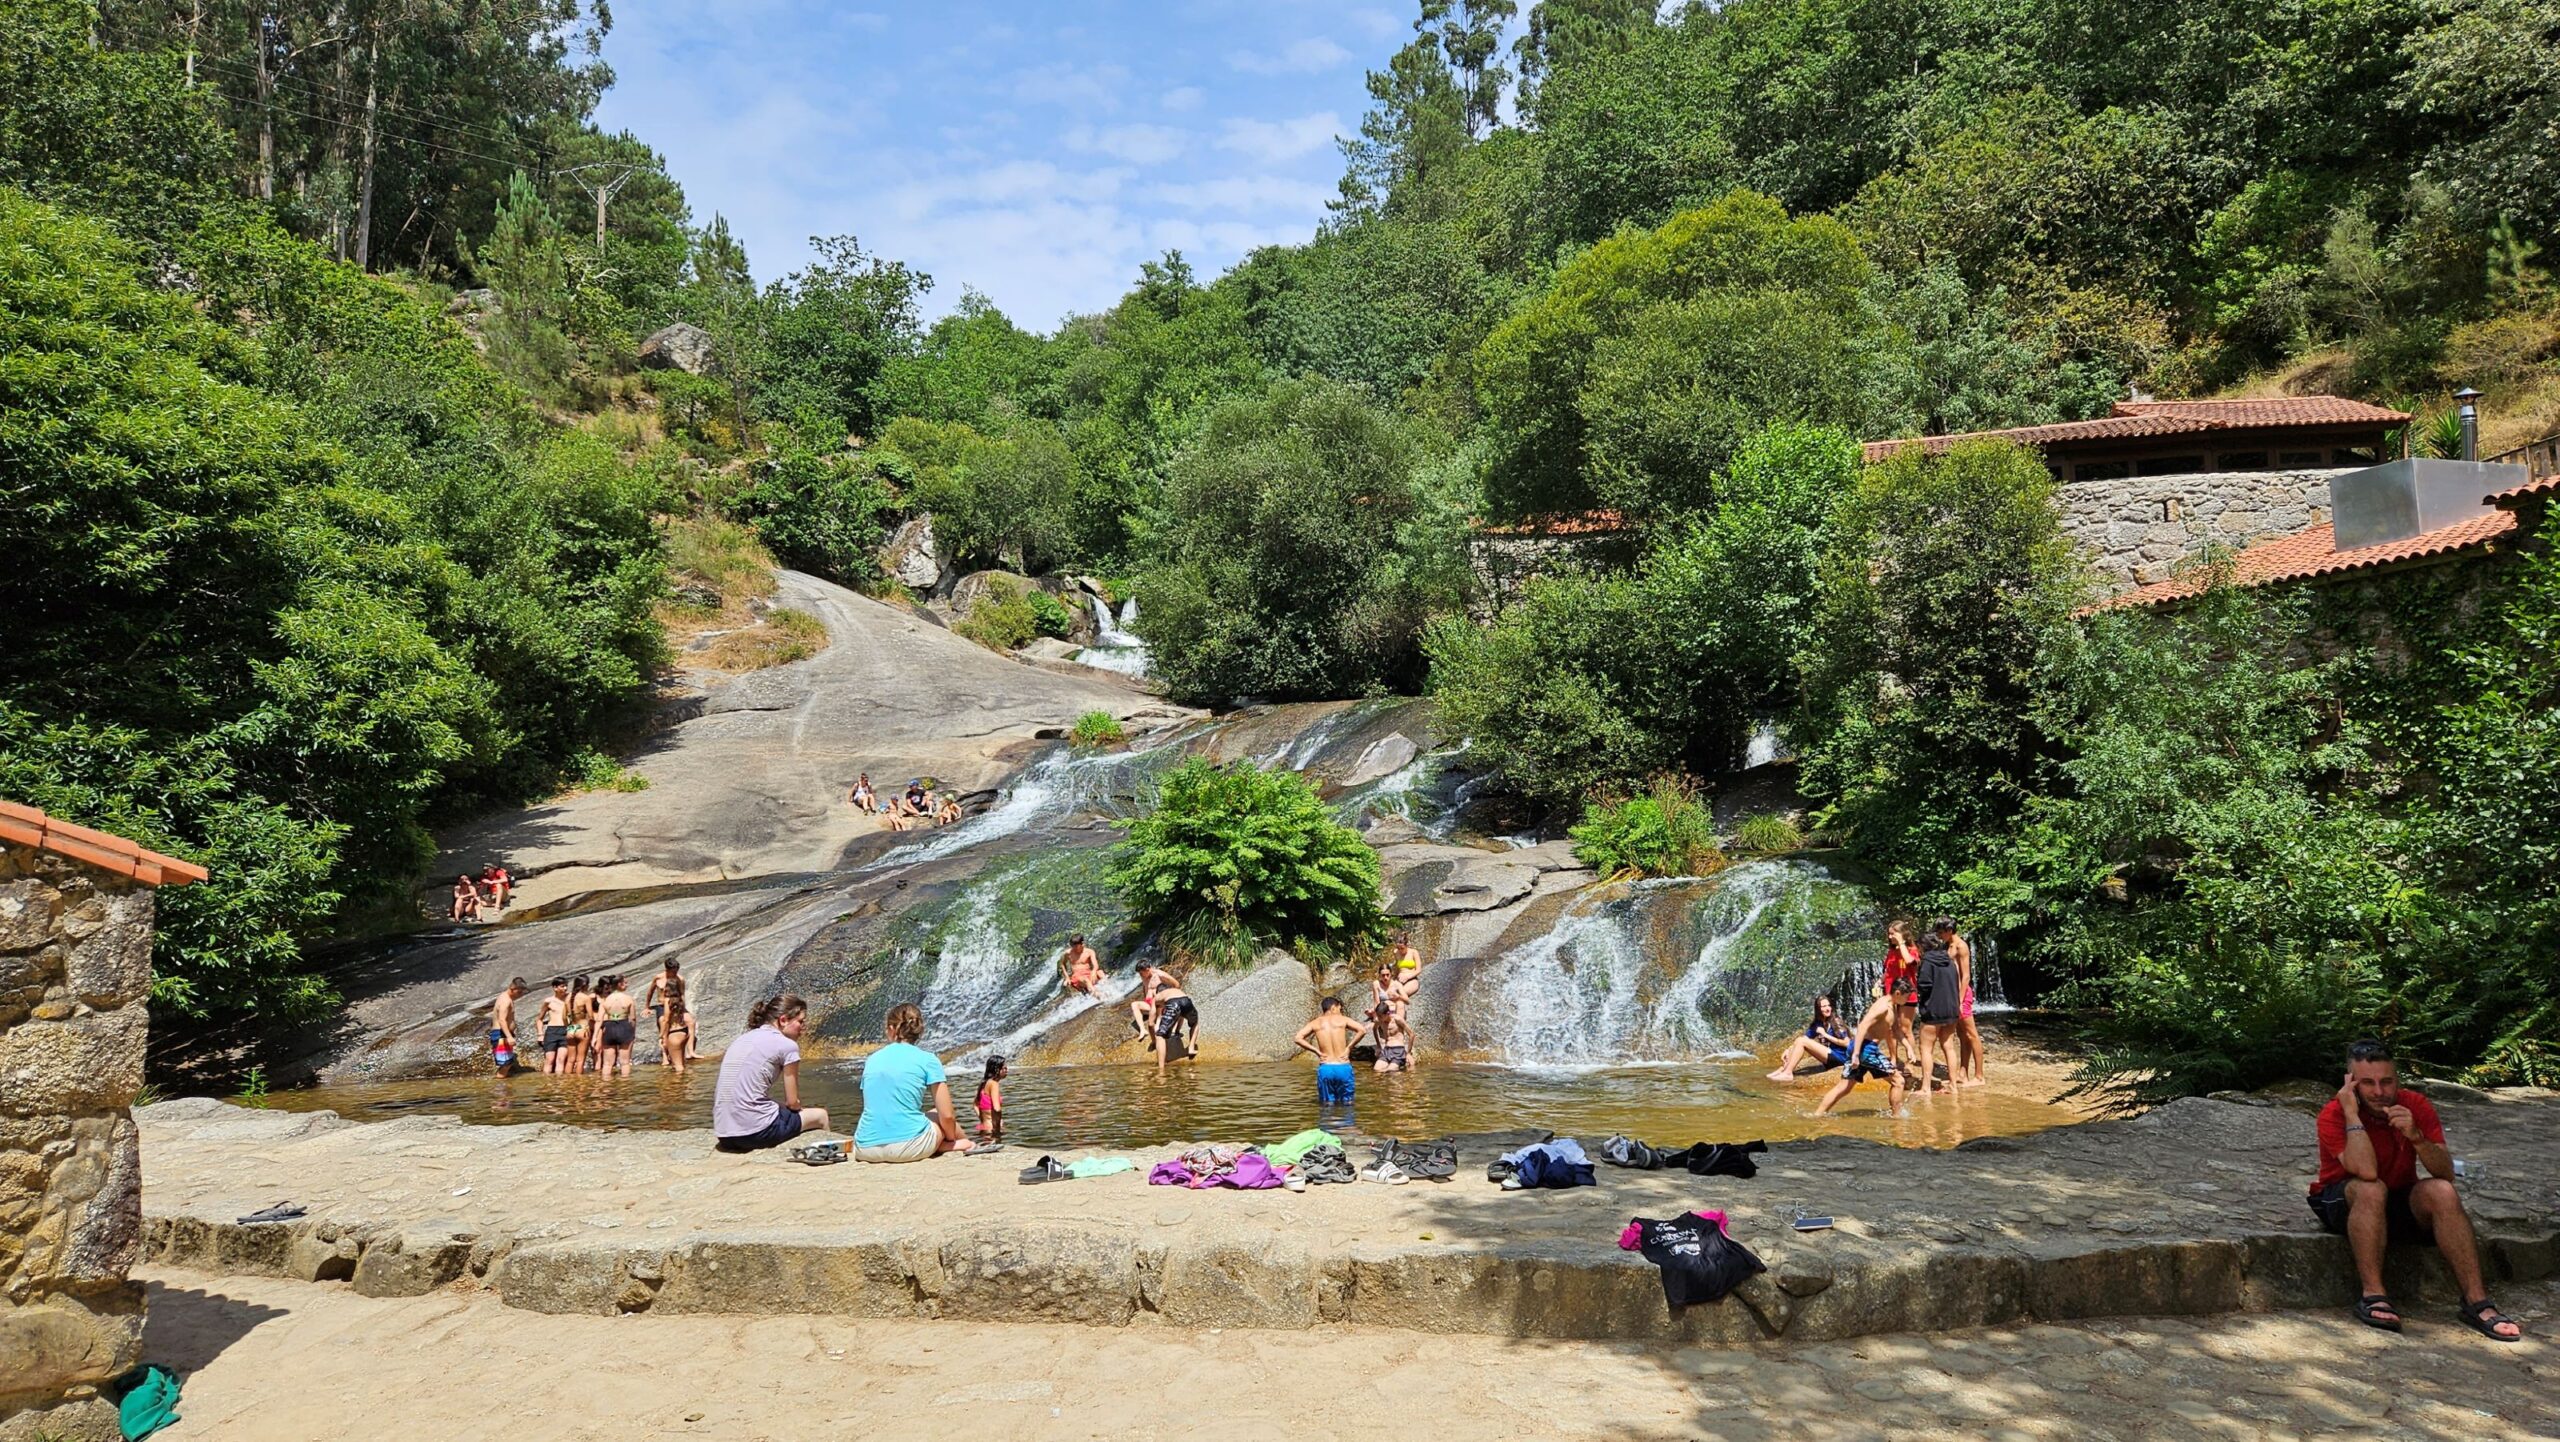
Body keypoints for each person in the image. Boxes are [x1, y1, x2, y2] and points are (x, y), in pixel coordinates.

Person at [2310, 1039, 2522, 1340]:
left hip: (2397, 1198)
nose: (2379, 1092)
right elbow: (2366, 1172)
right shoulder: (2334, 1113)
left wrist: (2417, 1137)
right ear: (2351, 1083)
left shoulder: (2415, 1105)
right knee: (2372, 1188)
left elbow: (2445, 1173)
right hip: (2343, 1199)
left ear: (2397, 1079)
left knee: (2441, 1192)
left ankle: (2476, 1301)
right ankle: (2373, 1294)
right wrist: (2352, 1115)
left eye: (2386, 1081)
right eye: (2368, 1083)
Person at [853, 1002, 972, 1162]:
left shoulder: (872, 1059)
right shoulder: (928, 1059)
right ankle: (956, 1145)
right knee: (935, 1114)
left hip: (864, 1148)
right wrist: (950, 1137)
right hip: (909, 1147)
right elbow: (948, 1115)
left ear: (891, 1029)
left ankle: (945, 1145)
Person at [713, 994, 830, 1153]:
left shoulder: (743, 1038)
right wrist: (796, 1109)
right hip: (754, 1133)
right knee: (820, 1115)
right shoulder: (787, 1046)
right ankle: (827, 1159)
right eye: (800, 1021)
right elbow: (792, 1102)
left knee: (777, 1107)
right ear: (783, 1020)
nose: (804, 1027)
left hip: (724, 1133)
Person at [1813, 996, 1906, 1117]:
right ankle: (1897, 1119)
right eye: (1908, 995)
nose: (1909, 999)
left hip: (1859, 1047)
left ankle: (1817, 1115)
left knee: (1844, 1087)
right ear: (1898, 993)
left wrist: (1908, 1048)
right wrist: (1856, 1055)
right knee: (1898, 1081)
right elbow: (1862, 1026)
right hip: (1866, 1050)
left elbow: (1893, 1030)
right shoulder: (1883, 1007)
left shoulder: (1890, 1005)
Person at [1912, 918, 1967, 1095]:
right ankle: (1953, 1085)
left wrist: (1915, 988)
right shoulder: (1948, 960)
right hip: (1951, 1008)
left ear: (1923, 947)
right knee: (1948, 1046)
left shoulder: (1927, 961)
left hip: (1933, 1010)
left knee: (1926, 1047)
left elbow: (1925, 985)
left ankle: (1926, 1087)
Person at [1295, 997, 1370, 1107]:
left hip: (1326, 1067)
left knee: (1327, 1104)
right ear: (1334, 1007)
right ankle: (1347, 1123)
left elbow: (1297, 1038)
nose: (1340, 1011)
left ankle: (1328, 1122)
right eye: (1340, 1008)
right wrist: (1349, 1048)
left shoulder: (1315, 1023)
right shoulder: (1343, 1019)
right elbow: (1362, 1030)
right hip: (1343, 1065)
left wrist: (1317, 1051)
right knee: (1348, 1103)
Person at [1766, 995, 1853, 1082]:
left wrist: (1825, 1035)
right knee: (1799, 1040)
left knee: (1801, 1041)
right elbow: (1804, 1038)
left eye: (1829, 1005)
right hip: (1830, 1057)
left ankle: (1788, 1073)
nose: (1827, 1008)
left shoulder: (1836, 1021)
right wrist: (1788, 1049)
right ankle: (1784, 1069)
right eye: (1824, 1006)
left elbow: (1847, 1043)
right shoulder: (1818, 1024)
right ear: (1818, 1009)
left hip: (1841, 1058)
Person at [1880, 919, 1922, 1070]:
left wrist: (1901, 943)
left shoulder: (1911, 949)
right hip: (1891, 994)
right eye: (1889, 934)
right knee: (1891, 1027)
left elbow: (1910, 961)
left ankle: (1911, 1060)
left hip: (1907, 994)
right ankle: (1893, 1058)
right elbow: (1888, 971)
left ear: (1902, 934)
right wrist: (1879, 982)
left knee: (1905, 1029)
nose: (1890, 936)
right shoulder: (1891, 951)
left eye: (1893, 934)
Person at [1144, 970, 1199, 1075]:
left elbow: (1151, 1024)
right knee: (1194, 1023)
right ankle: (1191, 1047)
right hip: (1186, 1000)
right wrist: (1177, 1031)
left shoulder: (1157, 998)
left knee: (1160, 1036)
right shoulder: (1175, 991)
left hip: (1174, 1004)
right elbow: (1181, 1015)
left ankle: (1161, 1068)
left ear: (1158, 992)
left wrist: (1154, 1041)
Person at [595, 975, 637, 1079]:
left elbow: (599, 1020)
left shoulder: (606, 1000)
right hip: (624, 1026)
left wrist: (594, 1037)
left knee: (607, 1063)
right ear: (619, 984)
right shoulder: (629, 999)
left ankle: (606, 1088)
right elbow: (632, 1019)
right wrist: (632, 1033)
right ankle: (625, 1091)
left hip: (609, 1026)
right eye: (625, 982)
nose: (627, 984)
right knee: (625, 1062)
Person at [488, 978, 526, 1073]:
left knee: (507, 1063)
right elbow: (502, 1020)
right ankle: (500, 1087)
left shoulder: (505, 998)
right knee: (505, 1065)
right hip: (501, 1034)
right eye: (519, 992)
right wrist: (509, 1036)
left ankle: (504, 1086)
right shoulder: (506, 1001)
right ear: (512, 988)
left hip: (503, 1034)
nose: (521, 995)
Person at [658, 969, 692, 1076]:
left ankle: (678, 1090)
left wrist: (662, 1035)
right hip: (684, 1031)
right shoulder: (680, 999)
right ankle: (687, 1086)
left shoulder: (669, 1001)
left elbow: (666, 1019)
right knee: (682, 1063)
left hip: (674, 1033)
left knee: (677, 1066)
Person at [537, 978, 572, 1075]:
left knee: (561, 1060)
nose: (565, 988)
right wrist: (540, 1034)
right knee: (549, 1060)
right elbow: (539, 1019)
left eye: (566, 986)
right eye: (562, 986)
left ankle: (559, 1085)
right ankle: (548, 1085)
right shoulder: (549, 1001)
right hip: (552, 1031)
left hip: (566, 1030)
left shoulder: (570, 998)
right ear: (555, 988)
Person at [645, 961, 683, 1052]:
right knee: (663, 1023)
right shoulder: (658, 978)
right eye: (673, 971)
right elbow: (650, 992)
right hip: (662, 1005)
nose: (675, 973)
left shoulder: (679, 979)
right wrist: (647, 1006)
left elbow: (682, 994)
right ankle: (665, 1053)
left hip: (674, 1005)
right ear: (667, 969)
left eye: (676, 971)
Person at [1371, 1003, 1415, 1073]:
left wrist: (1408, 1053)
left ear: (1387, 1013)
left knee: (1391, 1071)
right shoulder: (1379, 1021)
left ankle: (1401, 1078)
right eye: (1378, 1016)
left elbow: (1411, 1034)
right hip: (1386, 1051)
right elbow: (1374, 1029)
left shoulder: (1397, 1019)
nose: (1378, 1018)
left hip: (1398, 1051)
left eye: (1380, 1016)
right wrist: (1378, 1046)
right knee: (1377, 1070)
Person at [565, 974, 594, 1075]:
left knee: (570, 1060)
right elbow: (590, 1016)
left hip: (572, 1028)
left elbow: (564, 1016)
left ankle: (568, 1083)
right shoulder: (586, 998)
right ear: (584, 985)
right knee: (580, 1060)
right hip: (582, 1027)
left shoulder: (568, 997)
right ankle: (579, 1085)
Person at [974, 1056, 1007, 1141]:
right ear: (996, 1069)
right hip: (992, 1129)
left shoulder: (984, 1083)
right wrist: (998, 1127)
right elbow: (997, 1109)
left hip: (983, 1127)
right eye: (1004, 1068)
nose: (1007, 1070)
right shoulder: (993, 1084)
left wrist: (983, 1119)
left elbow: (975, 1105)